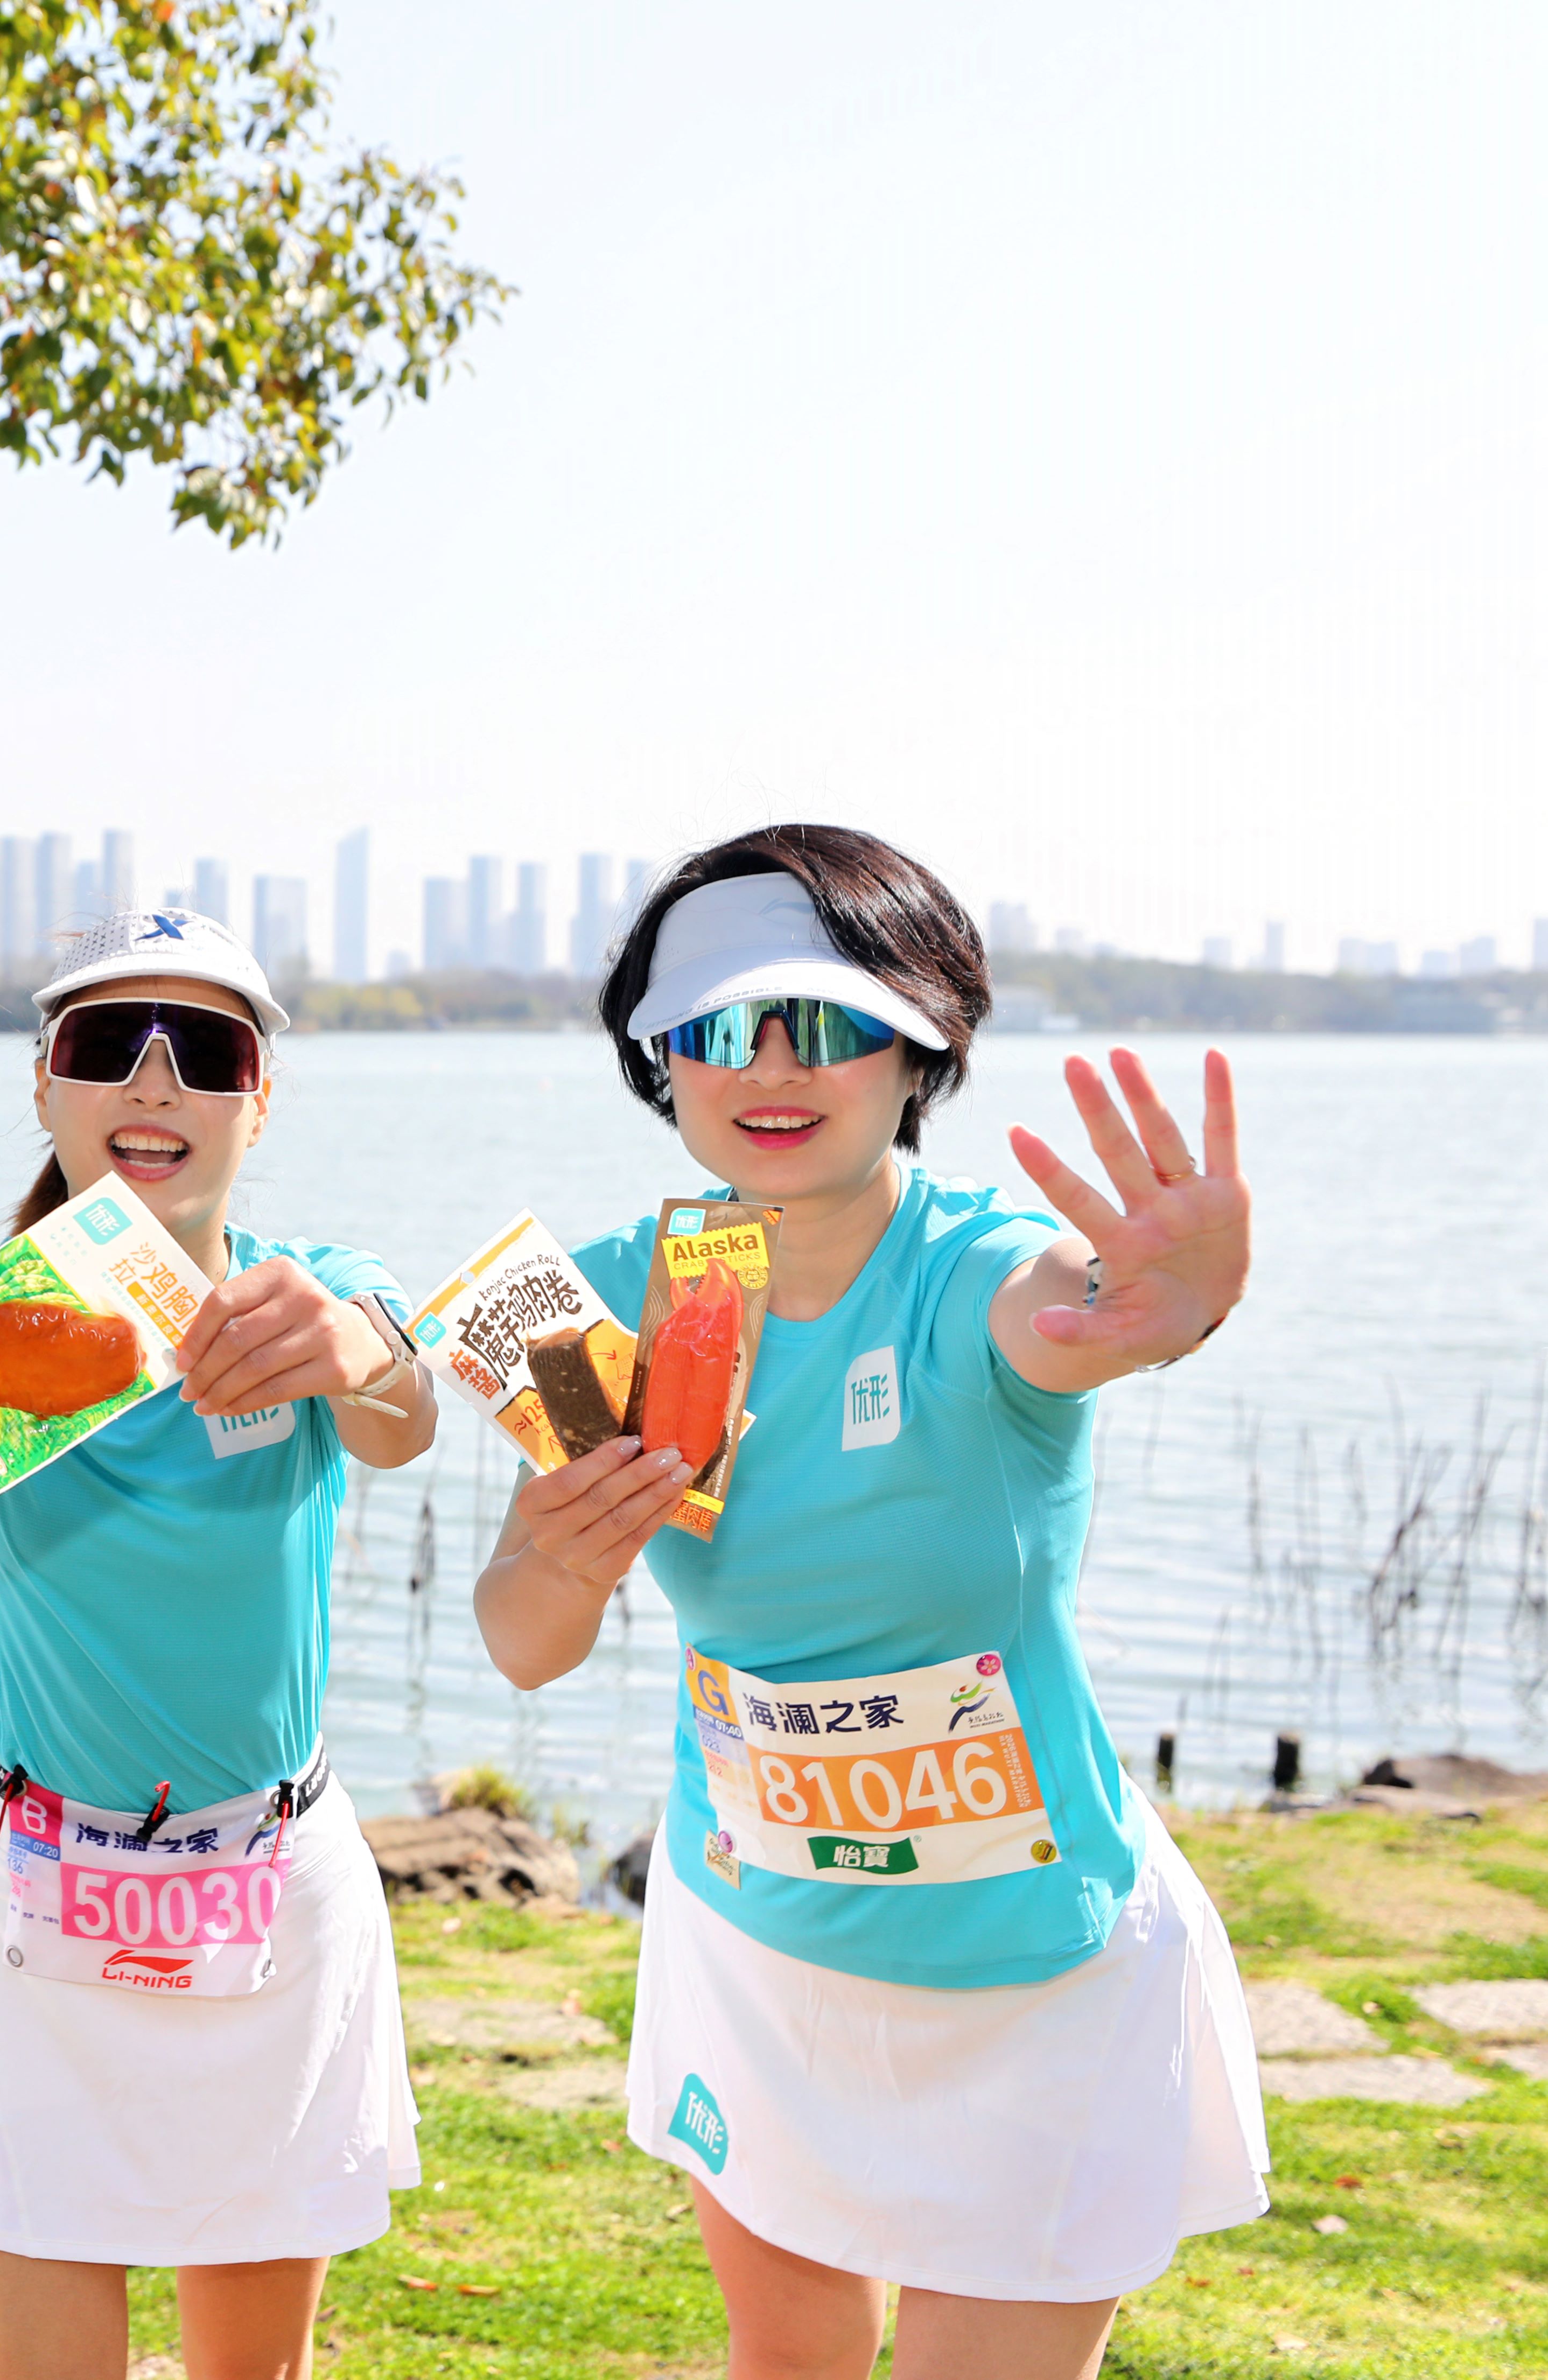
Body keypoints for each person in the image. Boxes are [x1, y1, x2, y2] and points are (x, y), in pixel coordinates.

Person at [473, 825, 1267, 2380]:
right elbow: (521, 1642)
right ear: (658, 1059)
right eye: (718, 1029)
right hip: (756, 1941)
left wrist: (1168, 1310)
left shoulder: (973, 1265)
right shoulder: (590, 1302)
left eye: (826, 1022)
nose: (771, 1067)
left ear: (920, 1047)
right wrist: (565, 1560)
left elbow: (1068, 1314)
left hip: (1026, 1969)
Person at [0, 908, 441, 2380]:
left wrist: (361, 1353)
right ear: (45, 1086)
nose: (154, 1081)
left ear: (260, 1101)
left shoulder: (306, 1291)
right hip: (36, 1898)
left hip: (267, 1894)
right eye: (108, 1043)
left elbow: (403, 1408)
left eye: (208, 1053)